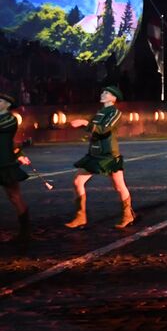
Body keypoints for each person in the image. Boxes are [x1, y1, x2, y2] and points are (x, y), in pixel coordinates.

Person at [65, 86, 136, 229]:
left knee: (119, 185)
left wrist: (84, 122)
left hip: (108, 154)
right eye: (103, 92)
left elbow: (104, 130)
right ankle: (81, 216)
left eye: (107, 93)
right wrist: (81, 124)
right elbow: (93, 128)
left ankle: (128, 215)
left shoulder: (115, 112)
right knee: (78, 181)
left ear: (113, 98)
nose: (103, 94)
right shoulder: (100, 112)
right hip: (95, 154)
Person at [0, 91, 32, 237]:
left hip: (5, 162)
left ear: (7, 105)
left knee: (14, 196)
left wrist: (18, 154)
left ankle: (25, 230)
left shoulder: (10, 119)